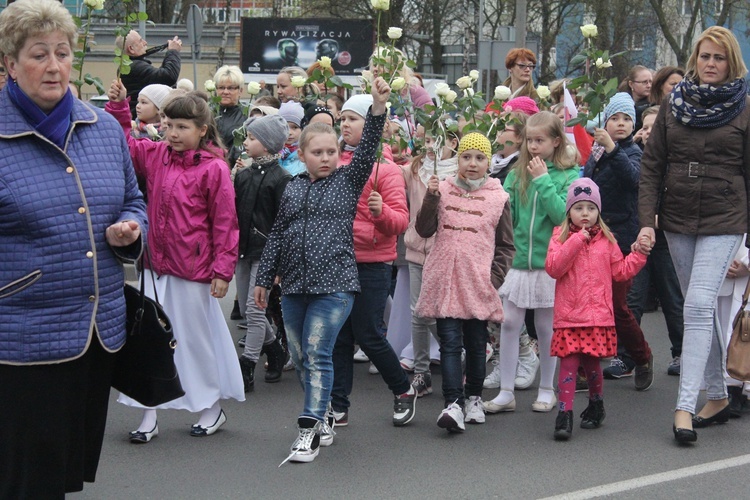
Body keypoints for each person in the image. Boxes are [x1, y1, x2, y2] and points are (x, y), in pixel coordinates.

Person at [0, 0, 147, 496]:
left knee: (64, 472)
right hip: (21, 340)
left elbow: (133, 197)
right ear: (10, 64)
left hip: (95, 334)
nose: (55, 66)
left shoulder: (103, 128)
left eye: (62, 53)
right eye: (38, 55)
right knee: (24, 477)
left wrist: (130, 227)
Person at [254, 77, 391, 465]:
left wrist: (378, 109)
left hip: (336, 285)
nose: (328, 157)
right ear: (302, 154)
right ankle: (326, 410)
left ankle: (310, 428)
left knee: (317, 351)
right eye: (318, 152)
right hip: (295, 286)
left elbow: (366, 151)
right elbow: (278, 233)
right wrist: (265, 278)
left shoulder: (348, 182)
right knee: (299, 356)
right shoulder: (294, 187)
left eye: (332, 150)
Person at [106, 84, 244, 442]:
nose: (173, 133)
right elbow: (122, 146)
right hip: (156, 266)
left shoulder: (214, 169)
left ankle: (211, 406)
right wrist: (121, 107)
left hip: (194, 271)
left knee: (194, 342)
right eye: (169, 125)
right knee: (150, 341)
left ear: (202, 129)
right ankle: (148, 414)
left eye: (183, 127)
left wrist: (222, 270)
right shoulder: (157, 155)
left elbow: (226, 222)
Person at [636, 26, 750, 444]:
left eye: (719, 58)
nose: (711, 64)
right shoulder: (672, 105)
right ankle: (718, 395)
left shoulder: (745, 109)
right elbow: (652, 166)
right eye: (705, 56)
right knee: (695, 307)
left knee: (700, 306)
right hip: (678, 217)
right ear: (694, 60)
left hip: (726, 216)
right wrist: (648, 219)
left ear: (731, 62)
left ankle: (684, 407)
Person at [415, 133, 515, 432]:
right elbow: (423, 229)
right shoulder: (441, 189)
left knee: (476, 343)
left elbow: (506, 246)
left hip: (477, 283)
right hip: (445, 278)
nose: (472, 163)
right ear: (458, 159)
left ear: (489, 162)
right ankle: (453, 402)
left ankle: (473, 397)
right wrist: (431, 198)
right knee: (449, 343)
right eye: (466, 157)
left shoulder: (499, 197)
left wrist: (492, 279)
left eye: (479, 158)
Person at [484, 111, 578, 415]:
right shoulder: (516, 172)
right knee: (509, 322)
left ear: (555, 141)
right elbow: (504, 213)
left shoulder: (568, 175)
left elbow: (563, 215)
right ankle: (507, 392)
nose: (534, 147)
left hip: (548, 263)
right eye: (530, 141)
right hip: (518, 261)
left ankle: (547, 389)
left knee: (545, 326)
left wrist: (543, 181)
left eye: (540, 140)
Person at [330, 93, 415, 427]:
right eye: (344, 119)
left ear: (373, 125)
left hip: (372, 262)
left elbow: (400, 223)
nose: (345, 124)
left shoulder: (388, 170)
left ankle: (403, 389)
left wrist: (381, 214)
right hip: (338, 260)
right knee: (339, 336)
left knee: (368, 334)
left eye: (353, 119)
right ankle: (339, 404)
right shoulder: (334, 163)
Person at [545, 178, 648, 440]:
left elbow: (620, 272)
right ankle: (564, 413)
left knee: (592, 366)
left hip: (597, 317)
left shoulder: (608, 241)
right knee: (568, 366)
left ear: (598, 211)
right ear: (569, 211)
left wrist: (639, 255)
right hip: (569, 317)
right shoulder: (560, 236)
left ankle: (596, 404)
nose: (585, 214)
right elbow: (554, 268)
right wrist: (577, 240)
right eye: (579, 208)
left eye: (591, 208)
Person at [583, 92, 655, 391]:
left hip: (622, 239)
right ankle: (587, 369)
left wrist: (613, 149)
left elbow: (634, 180)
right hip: (593, 238)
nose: (621, 124)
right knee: (587, 303)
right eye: (615, 118)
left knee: (618, 305)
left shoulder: (632, 152)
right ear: (605, 122)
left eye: (627, 119)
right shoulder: (596, 153)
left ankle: (642, 356)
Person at [234, 114, 292, 391]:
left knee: (255, 311)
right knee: (249, 311)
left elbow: (285, 223)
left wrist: (280, 264)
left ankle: (247, 365)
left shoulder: (281, 178)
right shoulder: (243, 174)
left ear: (268, 145)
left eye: (252, 138)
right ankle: (275, 349)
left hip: (266, 254)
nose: (246, 142)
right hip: (243, 250)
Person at [401, 126, 460, 397]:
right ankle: (421, 372)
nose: (430, 147)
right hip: (417, 248)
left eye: (437, 141)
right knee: (417, 312)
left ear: (452, 142)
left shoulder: (459, 173)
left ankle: (458, 349)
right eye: (426, 141)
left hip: (444, 252)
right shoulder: (412, 171)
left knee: (438, 312)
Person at [631, 105, 685, 377]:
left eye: (656, 127)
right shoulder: (633, 155)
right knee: (633, 298)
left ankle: (681, 353)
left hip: (667, 236)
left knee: (672, 297)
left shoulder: (674, 157)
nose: (650, 132)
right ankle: (628, 356)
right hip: (639, 235)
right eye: (646, 127)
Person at [117, 29, 182, 119]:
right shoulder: (134, 66)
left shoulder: (130, 66)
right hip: (140, 121)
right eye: (140, 41)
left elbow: (159, 78)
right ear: (131, 49)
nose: (145, 42)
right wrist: (173, 52)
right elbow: (168, 77)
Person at [213, 65, 247, 166]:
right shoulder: (208, 113)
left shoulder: (247, 115)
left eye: (231, 88)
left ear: (240, 90)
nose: (225, 92)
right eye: (221, 87)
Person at [618, 65, 652, 131]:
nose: (649, 85)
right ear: (631, 84)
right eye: (644, 82)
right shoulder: (621, 104)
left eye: (650, 82)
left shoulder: (653, 104)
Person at [278, 101, 306, 175]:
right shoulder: (272, 153)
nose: (289, 132)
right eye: (285, 127)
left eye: (295, 127)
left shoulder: (305, 156)